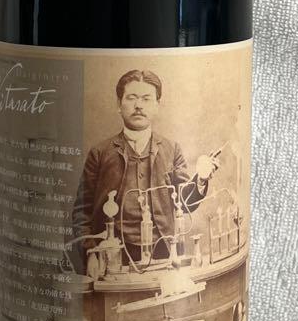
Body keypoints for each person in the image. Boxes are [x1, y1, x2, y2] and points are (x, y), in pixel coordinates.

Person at [71, 68, 217, 274]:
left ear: (157, 105)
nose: (138, 105)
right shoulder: (100, 153)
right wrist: (90, 252)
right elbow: (82, 213)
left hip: (164, 252)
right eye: (131, 98)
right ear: (119, 104)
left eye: (146, 99)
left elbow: (184, 203)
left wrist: (201, 179)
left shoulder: (171, 149)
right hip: (113, 254)